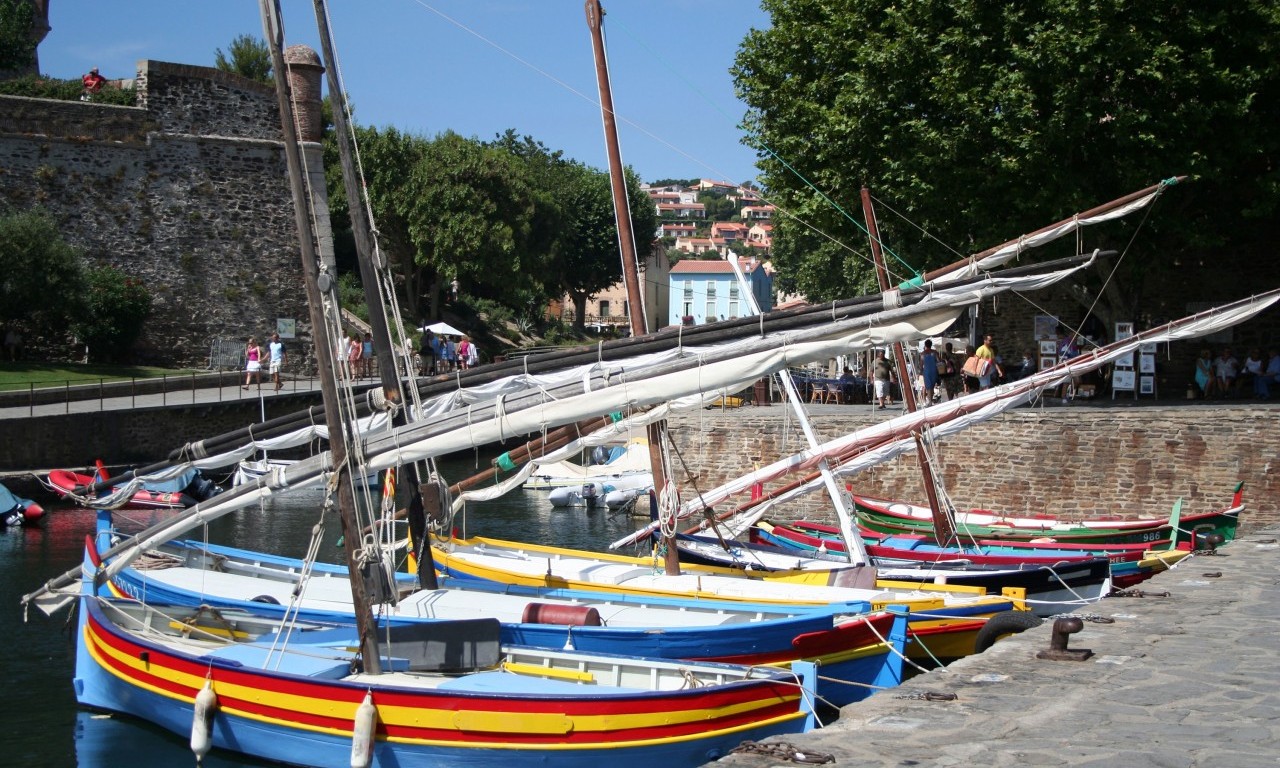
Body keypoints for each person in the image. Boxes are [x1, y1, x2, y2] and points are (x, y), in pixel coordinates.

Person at [920, 340, 939, 406]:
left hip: (926, 371)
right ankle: (930, 400)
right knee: (932, 386)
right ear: (931, 345)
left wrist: (920, 371)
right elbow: (938, 361)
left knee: (928, 387)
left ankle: (930, 401)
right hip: (934, 370)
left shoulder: (922, 353)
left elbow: (921, 364)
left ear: (925, 345)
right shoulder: (935, 352)